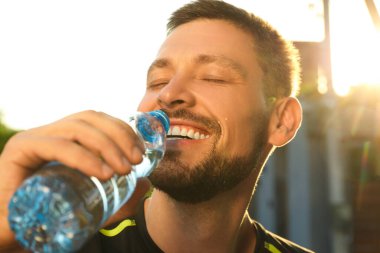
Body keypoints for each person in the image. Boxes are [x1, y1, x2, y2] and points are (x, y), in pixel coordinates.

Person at [0, 0, 314, 252]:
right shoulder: (56, 240)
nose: (168, 94)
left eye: (213, 76)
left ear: (281, 121)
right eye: (158, 81)